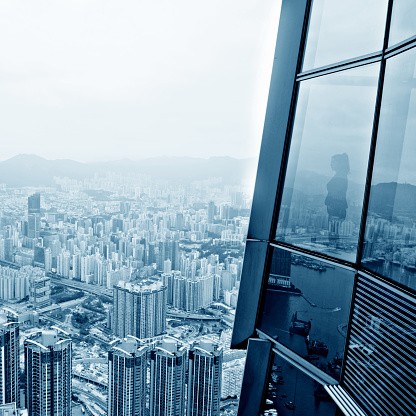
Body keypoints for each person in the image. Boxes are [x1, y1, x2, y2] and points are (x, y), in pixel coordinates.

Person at [325, 153, 349, 244]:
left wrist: (330, 204)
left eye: (333, 162)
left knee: (333, 236)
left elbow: (337, 195)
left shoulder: (340, 177)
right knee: (333, 235)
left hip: (336, 210)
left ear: (340, 163)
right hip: (336, 210)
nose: (331, 164)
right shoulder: (340, 175)